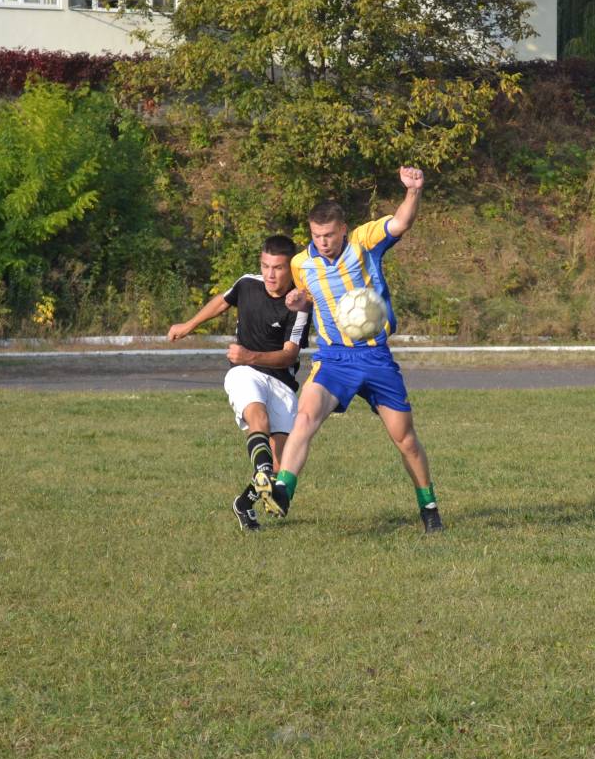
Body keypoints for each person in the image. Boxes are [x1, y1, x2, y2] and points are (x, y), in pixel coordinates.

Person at [265, 166, 443, 532]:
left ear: (343, 229)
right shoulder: (301, 263)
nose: (323, 241)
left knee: (405, 439)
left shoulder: (364, 242)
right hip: (334, 359)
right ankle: (282, 491)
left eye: (329, 234)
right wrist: (298, 300)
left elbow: (402, 222)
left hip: (376, 357)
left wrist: (413, 191)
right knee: (305, 417)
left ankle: (429, 507)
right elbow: (307, 298)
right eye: (317, 235)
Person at [168, 235, 311, 531]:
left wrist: (250, 354)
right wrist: (188, 325)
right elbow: (222, 301)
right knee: (258, 418)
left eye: (278, 268)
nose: (270, 274)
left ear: (291, 269)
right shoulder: (247, 283)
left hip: (282, 382)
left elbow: (288, 355)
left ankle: (244, 503)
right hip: (244, 371)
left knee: (282, 465)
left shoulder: (299, 305)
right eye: (265, 266)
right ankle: (262, 470)